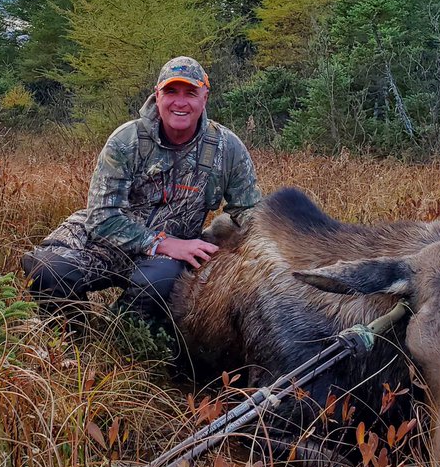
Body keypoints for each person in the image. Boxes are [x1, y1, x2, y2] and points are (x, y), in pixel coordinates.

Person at [21, 56, 261, 335]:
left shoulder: (226, 147)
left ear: (205, 97)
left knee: (160, 283)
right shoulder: (126, 140)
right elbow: (102, 217)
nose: (180, 102)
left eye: (191, 93)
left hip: (164, 262)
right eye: (171, 92)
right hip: (103, 241)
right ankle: (74, 337)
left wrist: (286, 245)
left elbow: (250, 210)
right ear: (156, 95)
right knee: (47, 269)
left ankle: (120, 340)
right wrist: (162, 243)